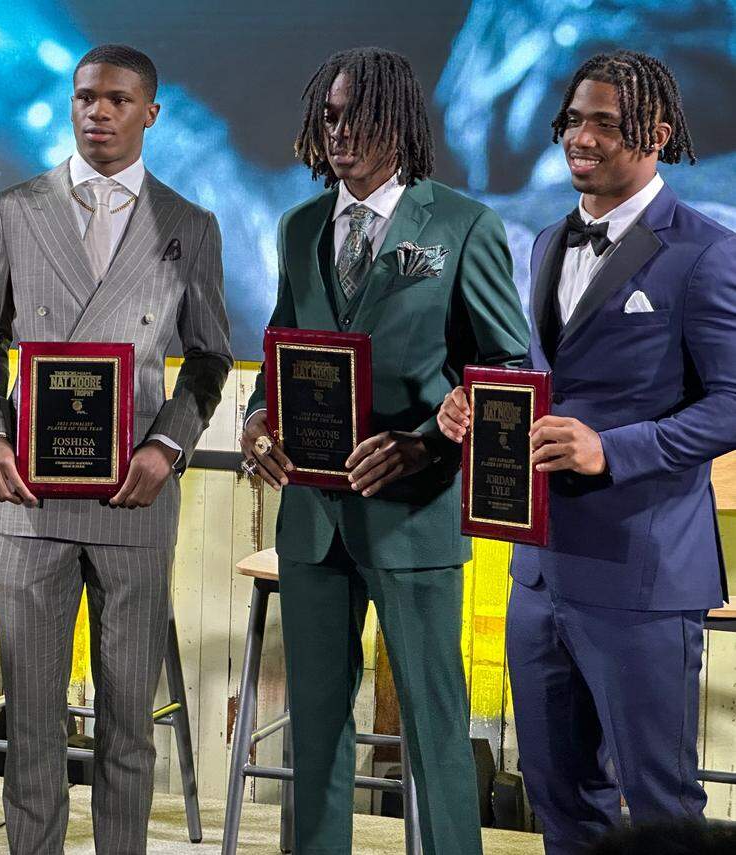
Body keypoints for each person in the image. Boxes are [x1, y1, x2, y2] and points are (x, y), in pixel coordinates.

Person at [437, 50, 736, 854]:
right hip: (538, 572)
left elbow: (732, 403)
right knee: (558, 794)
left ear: (658, 134)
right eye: (574, 118)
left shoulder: (705, 250)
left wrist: (615, 449)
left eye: (607, 121)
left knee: (662, 801)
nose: (583, 136)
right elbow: (540, 378)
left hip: (643, 572)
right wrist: (479, 403)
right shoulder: (541, 241)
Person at [238, 47, 529, 855]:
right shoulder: (300, 226)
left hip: (416, 518)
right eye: (329, 115)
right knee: (315, 736)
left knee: (436, 732)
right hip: (313, 523)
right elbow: (278, 353)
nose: (339, 132)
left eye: (357, 116)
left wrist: (429, 440)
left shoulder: (464, 224)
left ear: (399, 124)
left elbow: (505, 369)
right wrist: (258, 421)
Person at [0, 44, 231, 854]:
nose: (97, 112)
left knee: (126, 725)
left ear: (150, 112)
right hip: (29, 504)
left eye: (116, 100)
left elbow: (212, 357)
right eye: (85, 98)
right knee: (32, 725)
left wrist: (169, 447)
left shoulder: (190, 225)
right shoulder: (16, 209)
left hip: (134, 500)